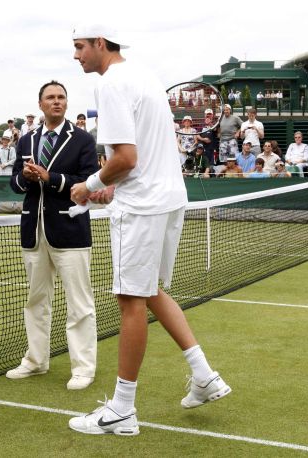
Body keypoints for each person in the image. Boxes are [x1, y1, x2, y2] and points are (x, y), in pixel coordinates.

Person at [69, 24, 230, 436]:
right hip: (168, 198)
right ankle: (204, 374)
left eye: (80, 47)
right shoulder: (146, 77)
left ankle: (122, 411)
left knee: (130, 301)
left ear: (100, 44)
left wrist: (89, 186)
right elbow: (136, 159)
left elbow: (125, 157)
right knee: (151, 292)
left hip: (142, 206)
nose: (76, 56)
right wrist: (108, 184)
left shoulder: (111, 84)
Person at [6, 80, 99, 390]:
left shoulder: (83, 140)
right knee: (35, 301)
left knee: (79, 304)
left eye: (61, 97)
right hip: (34, 230)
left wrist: (52, 178)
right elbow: (15, 185)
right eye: (51, 97)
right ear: (40, 103)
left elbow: (87, 181)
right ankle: (35, 361)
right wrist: (25, 176)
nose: (56, 102)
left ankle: (83, 368)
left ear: (66, 104)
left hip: (70, 231)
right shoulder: (26, 140)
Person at [217, 104, 242, 171]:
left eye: (227, 109)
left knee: (234, 158)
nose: (226, 111)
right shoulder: (220, 118)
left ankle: (235, 172)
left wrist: (238, 132)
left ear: (230, 110)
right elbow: (218, 127)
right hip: (222, 141)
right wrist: (219, 132)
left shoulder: (235, 118)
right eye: (224, 110)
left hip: (232, 140)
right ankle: (226, 173)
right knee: (223, 160)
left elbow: (243, 125)